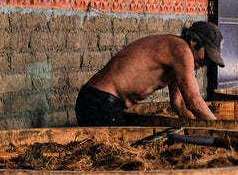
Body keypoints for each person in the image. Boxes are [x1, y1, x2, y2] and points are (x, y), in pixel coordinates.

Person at [75, 21, 224, 125]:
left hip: (100, 101)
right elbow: (193, 101)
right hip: (100, 102)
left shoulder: (177, 57)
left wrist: (195, 127)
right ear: (193, 42)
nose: (206, 63)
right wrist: (220, 129)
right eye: (207, 56)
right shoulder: (182, 50)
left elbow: (179, 104)